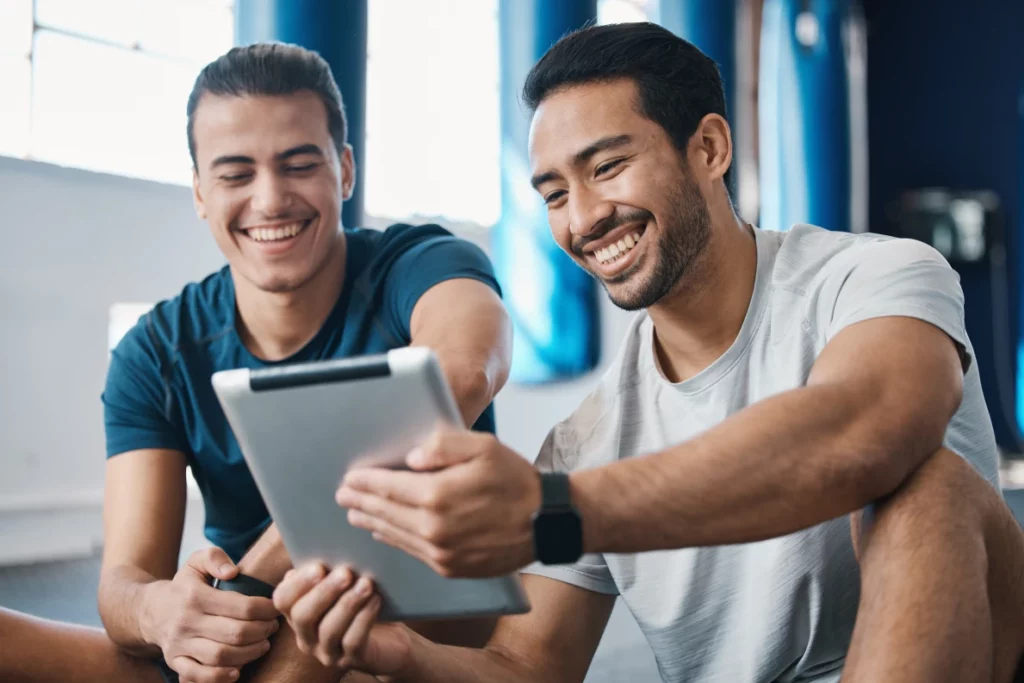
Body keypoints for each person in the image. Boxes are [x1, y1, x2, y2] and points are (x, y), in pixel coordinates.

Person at [271, 22, 1024, 683]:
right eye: (554, 193)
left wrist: (556, 514)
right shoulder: (586, 441)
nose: (585, 218)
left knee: (930, 483)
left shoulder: (876, 274)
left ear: (709, 147)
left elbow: (870, 427)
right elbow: (529, 665)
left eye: (605, 167)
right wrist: (395, 652)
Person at [88, 42, 511, 683]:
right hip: (251, 636)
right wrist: (162, 611)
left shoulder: (419, 264)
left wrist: (261, 570)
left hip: (412, 626)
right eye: (235, 174)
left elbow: (464, 373)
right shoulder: (156, 350)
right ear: (201, 192)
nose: (270, 199)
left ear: (344, 171)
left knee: (323, 613)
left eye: (298, 165)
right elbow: (123, 582)